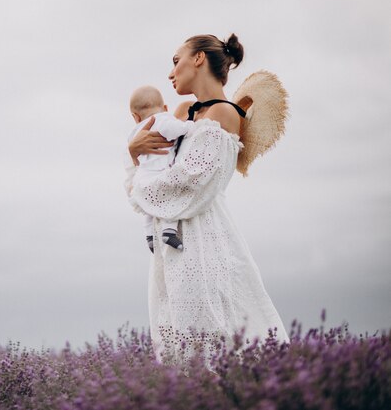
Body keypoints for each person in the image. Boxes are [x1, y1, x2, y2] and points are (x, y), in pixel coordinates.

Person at [123, 33, 291, 372]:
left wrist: (142, 179)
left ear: (198, 59)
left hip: (202, 239)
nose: (171, 73)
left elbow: (188, 185)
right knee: (175, 343)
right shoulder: (185, 112)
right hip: (172, 240)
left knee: (211, 341)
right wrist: (133, 152)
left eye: (176, 61)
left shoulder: (225, 115)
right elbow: (157, 168)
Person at [127, 85, 196, 253]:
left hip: (141, 178)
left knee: (148, 209)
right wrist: (188, 126)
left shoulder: (135, 131)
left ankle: (150, 235)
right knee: (169, 199)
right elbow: (174, 130)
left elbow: (129, 154)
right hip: (159, 174)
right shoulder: (163, 119)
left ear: (135, 117)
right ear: (165, 108)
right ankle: (169, 231)